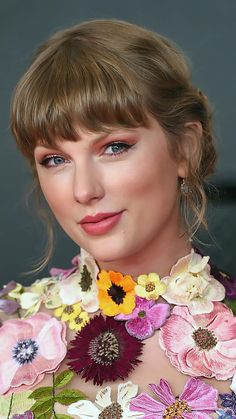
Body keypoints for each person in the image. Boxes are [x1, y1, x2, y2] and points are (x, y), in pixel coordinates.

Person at [0, 19, 235, 419]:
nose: (83, 190)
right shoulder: (9, 333)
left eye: (114, 147)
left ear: (186, 150)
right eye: (55, 159)